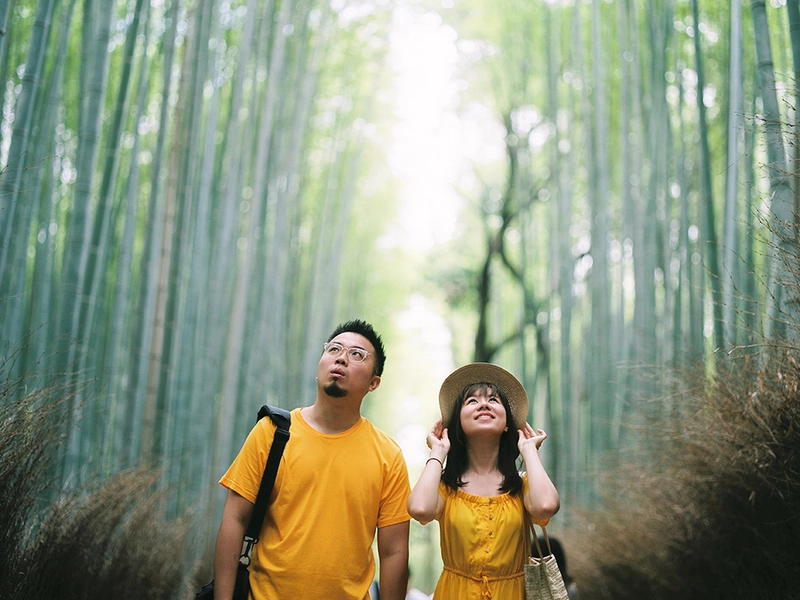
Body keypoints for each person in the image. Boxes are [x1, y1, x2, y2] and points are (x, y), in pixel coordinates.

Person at [213, 319, 411, 600]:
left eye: (357, 355)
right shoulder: (273, 433)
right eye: (334, 349)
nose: (341, 358)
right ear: (319, 365)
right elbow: (234, 518)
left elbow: (394, 552)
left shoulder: (387, 456)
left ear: (374, 383)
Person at [407, 363, 560, 599]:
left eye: (493, 400)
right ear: (458, 422)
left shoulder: (522, 486)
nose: (484, 404)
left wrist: (529, 451)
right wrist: (437, 452)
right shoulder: (446, 487)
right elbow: (419, 509)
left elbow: (546, 507)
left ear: (508, 424)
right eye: (472, 401)